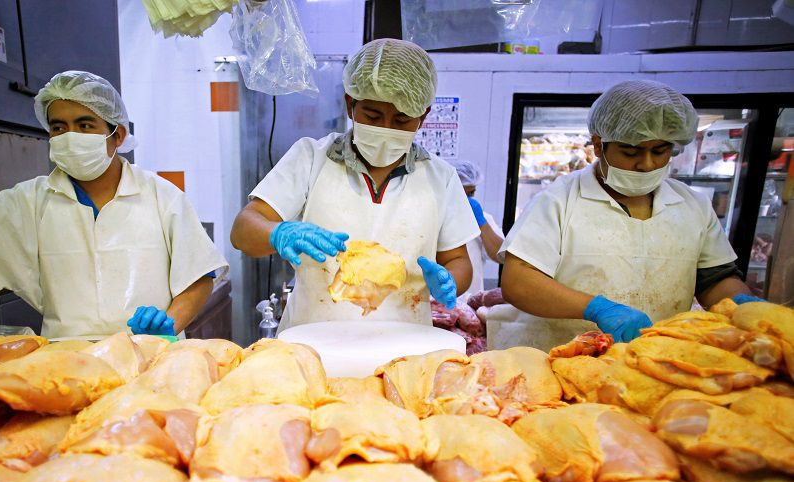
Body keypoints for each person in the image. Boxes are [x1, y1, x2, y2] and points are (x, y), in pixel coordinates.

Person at [0, 71, 227, 338]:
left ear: (117, 135)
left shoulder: (162, 196)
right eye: (58, 127)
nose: (70, 136)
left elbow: (198, 277)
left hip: (151, 358)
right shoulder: (32, 200)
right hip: (69, 362)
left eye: (84, 125)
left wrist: (168, 326)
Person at [230, 39, 479, 330]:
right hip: (314, 342)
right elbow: (243, 230)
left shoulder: (441, 178)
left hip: (404, 347)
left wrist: (449, 282)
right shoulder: (311, 158)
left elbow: (459, 260)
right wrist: (279, 233)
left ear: (422, 117)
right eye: (373, 116)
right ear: (350, 104)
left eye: (401, 120)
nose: (386, 129)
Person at [498, 79, 758, 350]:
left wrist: (742, 307)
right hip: (569, 356)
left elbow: (715, 279)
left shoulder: (693, 206)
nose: (646, 164)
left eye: (660, 151)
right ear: (599, 146)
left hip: (659, 357)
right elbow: (519, 282)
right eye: (631, 151)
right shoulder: (558, 201)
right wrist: (596, 309)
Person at [447, 159, 504, 300]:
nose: (466, 199)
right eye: (460, 194)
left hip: (469, 304)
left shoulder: (483, 219)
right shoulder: (436, 217)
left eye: (471, 193)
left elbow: (501, 256)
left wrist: (481, 223)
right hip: (435, 303)